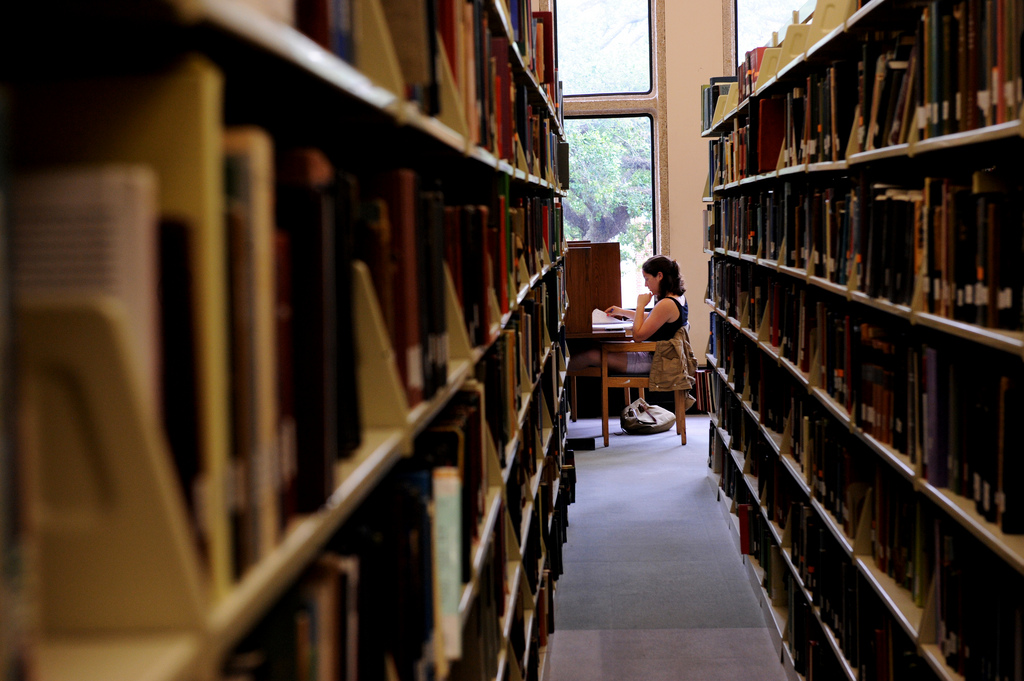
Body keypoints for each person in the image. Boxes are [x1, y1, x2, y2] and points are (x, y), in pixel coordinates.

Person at [567, 254, 688, 375]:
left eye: (647, 279)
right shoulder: (677, 298)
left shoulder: (667, 304)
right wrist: (621, 311)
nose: (646, 285)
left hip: (653, 361)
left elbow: (638, 336)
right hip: (653, 356)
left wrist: (640, 305)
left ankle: (556, 376)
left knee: (590, 354)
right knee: (592, 346)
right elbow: (653, 317)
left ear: (660, 276)